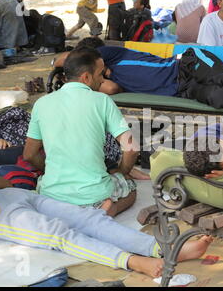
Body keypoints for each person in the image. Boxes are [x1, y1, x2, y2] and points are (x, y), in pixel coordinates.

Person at [0, 187, 213, 278]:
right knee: (58, 234)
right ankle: (133, 261)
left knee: (89, 218)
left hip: (5, 193)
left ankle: (164, 248)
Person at [24, 47, 141, 217]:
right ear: (86, 77)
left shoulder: (41, 103)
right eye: (101, 74)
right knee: (130, 189)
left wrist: (53, 172)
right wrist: (122, 173)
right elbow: (131, 148)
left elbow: (29, 154)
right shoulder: (102, 100)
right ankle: (107, 210)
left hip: (52, 196)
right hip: (95, 195)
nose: (103, 80)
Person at [54, 37, 223, 114]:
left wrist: (61, 67)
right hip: (183, 89)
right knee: (219, 98)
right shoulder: (105, 78)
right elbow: (111, 90)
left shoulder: (111, 54)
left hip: (186, 64)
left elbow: (61, 59)